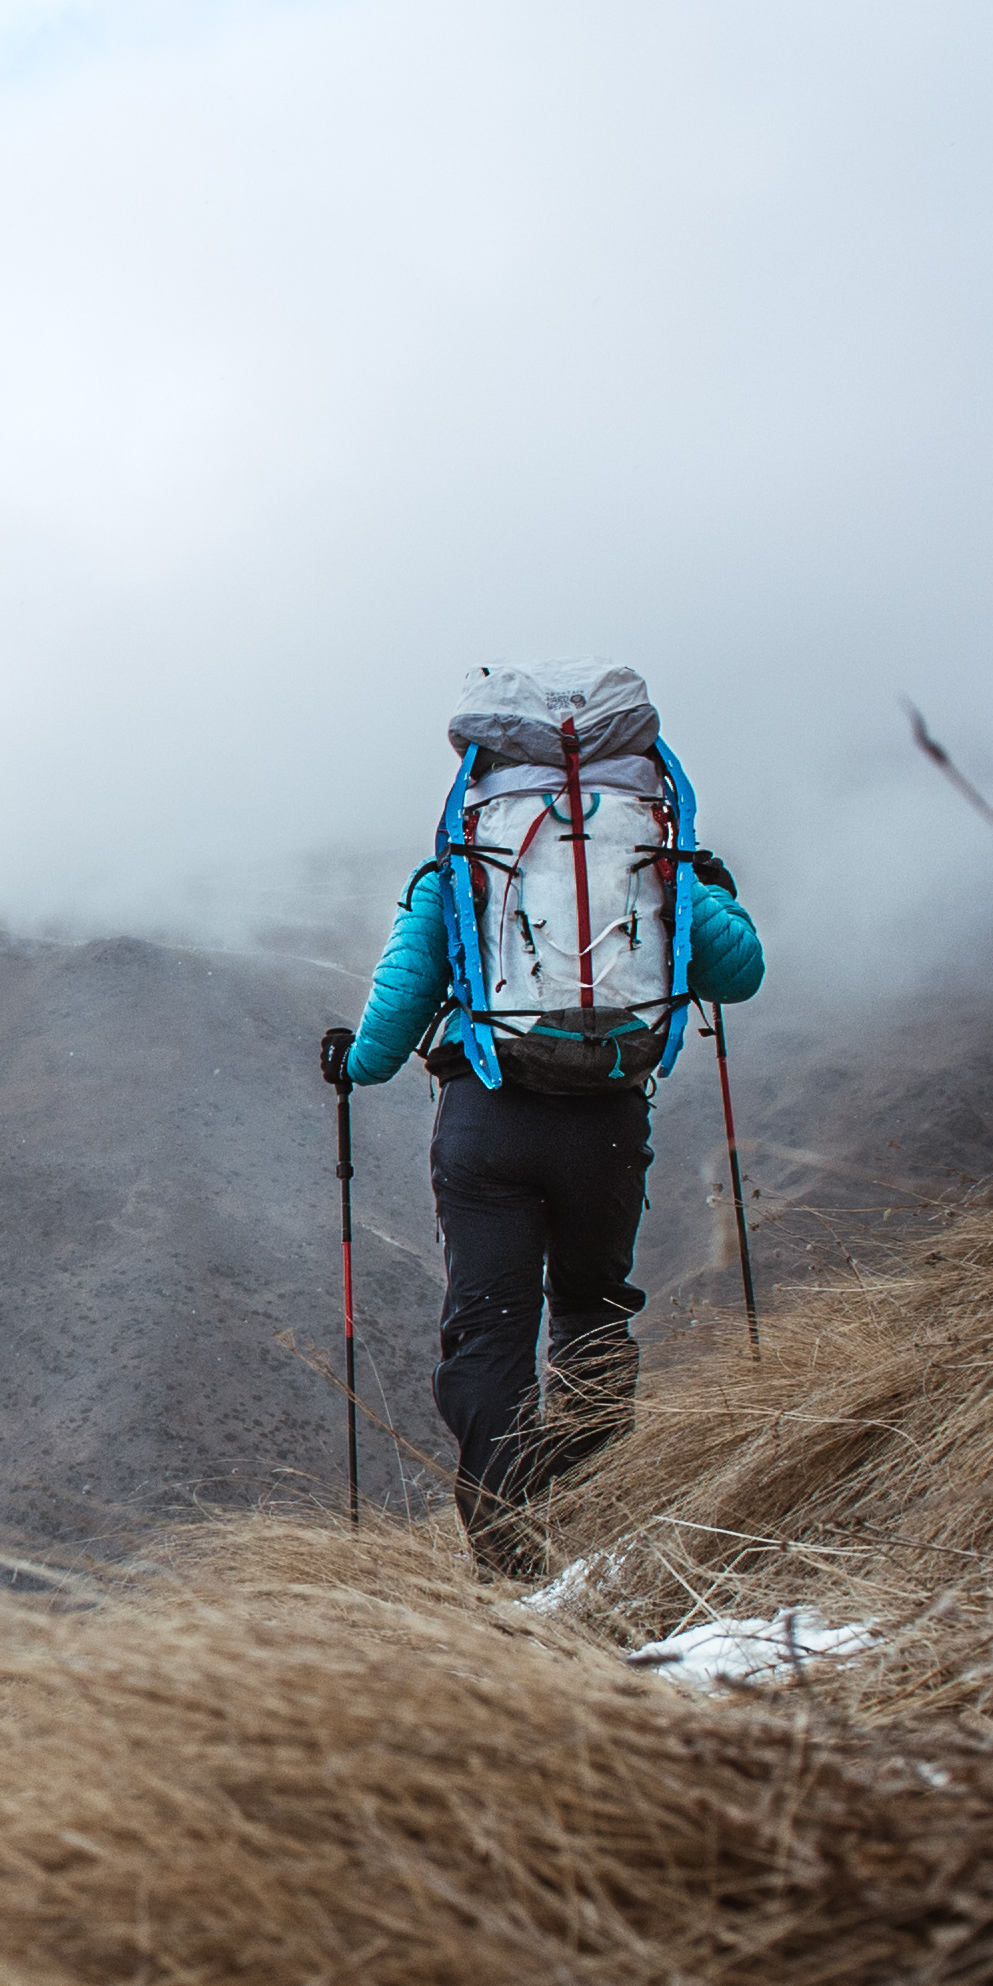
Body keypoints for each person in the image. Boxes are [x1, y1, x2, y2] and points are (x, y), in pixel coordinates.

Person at [320, 661, 765, 1580]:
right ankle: (593, 1493)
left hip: (488, 1125)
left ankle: (507, 1551)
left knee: (487, 1328)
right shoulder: (657, 856)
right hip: (604, 1124)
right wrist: (704, 886)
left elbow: (396, 1010)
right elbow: (740, 972)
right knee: (593, 1309)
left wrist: (352, 1064)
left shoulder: (464, 864)